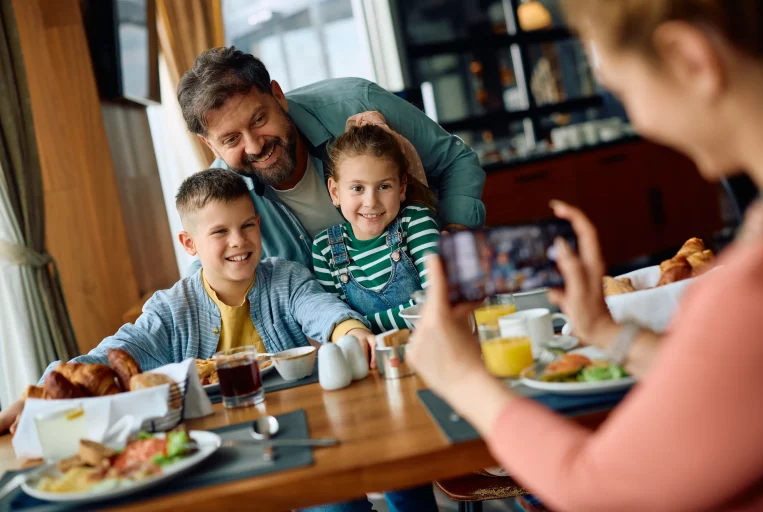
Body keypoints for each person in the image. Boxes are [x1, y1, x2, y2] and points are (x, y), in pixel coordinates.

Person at [406, 0, 763, 510]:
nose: (636, 118)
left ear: (689, 59)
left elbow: (598, 491)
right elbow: (733, 386)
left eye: (619, 90)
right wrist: (607, 332)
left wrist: (462, 379)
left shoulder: (752, 288)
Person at [0, 169, 373, 434]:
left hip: (300, 427)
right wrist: (35, 396)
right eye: (219, 232)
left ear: (258, 225)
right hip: (211, 441)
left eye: (247, 225)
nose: (238, 241)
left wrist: (351, 331)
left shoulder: (286, 278)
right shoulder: (170, 309)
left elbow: (321, 310)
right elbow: (110, 355)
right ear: (189, 244)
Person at [177, 47, 485, 269]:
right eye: (231, 139)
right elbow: (205, 274)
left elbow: (455, 160)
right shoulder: (218, 196)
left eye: (259, 119)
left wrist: (456, 234)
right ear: (210, 145)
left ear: (278, 96)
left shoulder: (357, 103)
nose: (255, 146)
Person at [312, 124, 440, 337]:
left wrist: (360, 326)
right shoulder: (324, 248)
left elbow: (438, 302)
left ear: (402, 187)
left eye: (384, 186)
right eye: (357, 188)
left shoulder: (416, 221)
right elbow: (334, 321)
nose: (371, 202)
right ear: (335, 192)